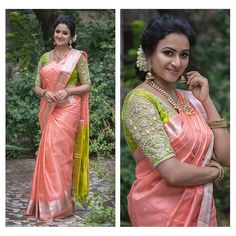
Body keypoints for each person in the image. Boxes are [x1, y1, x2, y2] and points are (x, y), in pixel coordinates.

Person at [122, 15, 230, 226]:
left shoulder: (189, 98)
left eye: (184, 55)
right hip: (161, 214)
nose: (177, 62)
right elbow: (173, 173)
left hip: (200, 208)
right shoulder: (140, 101)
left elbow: (226, 155)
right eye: (168, 53)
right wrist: (216, 172)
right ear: (148, 53)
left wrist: (206, 100)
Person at [25, 15, 91, 221]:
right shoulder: (44, 58)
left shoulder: (77, 57)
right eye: (58, 31)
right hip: (50, 106)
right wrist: (45, 93)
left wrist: (69, 91)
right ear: (53, 33)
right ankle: (46, 203)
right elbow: (37, 86)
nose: (60, 35)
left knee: (61, 154)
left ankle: (61, 205)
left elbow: (87, 85)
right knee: (47, 151)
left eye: (65, 32)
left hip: (69, 109)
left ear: (71, 37)